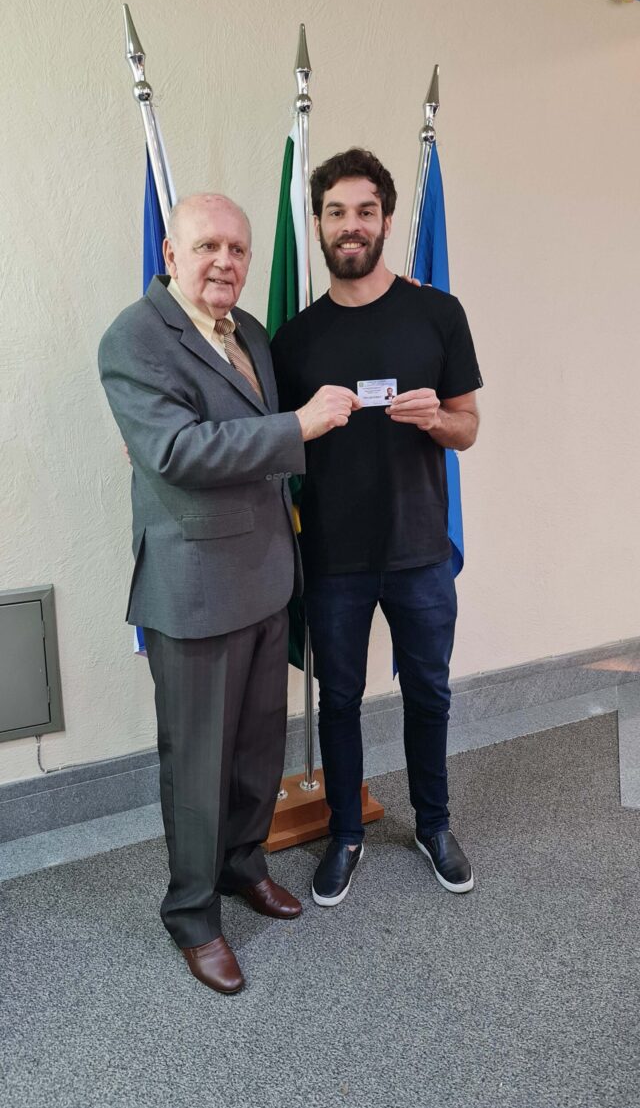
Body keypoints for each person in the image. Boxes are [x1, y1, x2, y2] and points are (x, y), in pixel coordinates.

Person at [98, 193, 359, 992]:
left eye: (238, 249)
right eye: (208, 245)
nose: (226, 261)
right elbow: (177, 451)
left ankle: (244, 866)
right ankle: (192, 914)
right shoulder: (135, 337)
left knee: (255, 751)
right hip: (194, 590)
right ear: (171, 254)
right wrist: (300, 426)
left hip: (265, 577)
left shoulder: (246, 330)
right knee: (198, 765)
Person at [271, 150, 483, 907]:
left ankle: (434, 825)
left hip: (421, 549)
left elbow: (468, 427)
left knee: (429, 691)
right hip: (333, 555)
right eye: (336, 212)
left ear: (387, 220)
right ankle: (345, 833)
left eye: (365, 210)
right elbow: (271, 441)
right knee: (338, 700)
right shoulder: (294, 339)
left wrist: (438, 421)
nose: (351, 225)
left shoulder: (438, 313)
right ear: (319, 225)